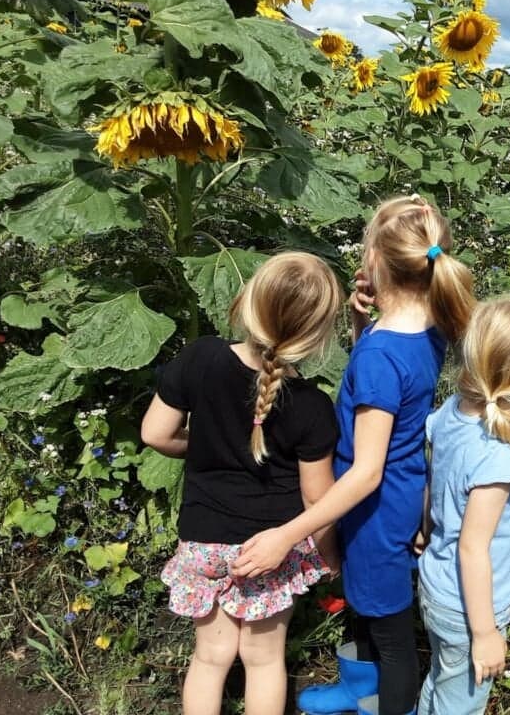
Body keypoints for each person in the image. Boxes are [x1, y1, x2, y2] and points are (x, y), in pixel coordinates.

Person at [229, 195, 476, 715]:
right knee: (367, 603)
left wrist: (287, 535)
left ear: (375, 260)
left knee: (390, 628)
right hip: (396, 496)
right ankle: (358, 688)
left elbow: (366, 471)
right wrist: (362, 326)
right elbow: (391, 392)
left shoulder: (382, 355)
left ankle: (394, 706)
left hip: (374, 509)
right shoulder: (426, 326)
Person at [140, 252, 344, 715]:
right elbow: (317, 497)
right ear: (317, 335)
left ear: (247, 301)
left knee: (210, 657)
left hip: (202, 540)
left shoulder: (200, 357)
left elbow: (155, 434)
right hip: (268, 549)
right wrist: (329, 554)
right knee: (264, 660)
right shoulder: (312, 406)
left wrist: (207, 445)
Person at [418, 297, 510, 715]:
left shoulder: (452, 412)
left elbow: (434, 482)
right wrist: (484, 634)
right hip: (468, 610)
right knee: (459, 705)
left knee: (439, 683)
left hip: (438, 584)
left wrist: (425, 529)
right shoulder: (498, 454)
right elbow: (473, 548)